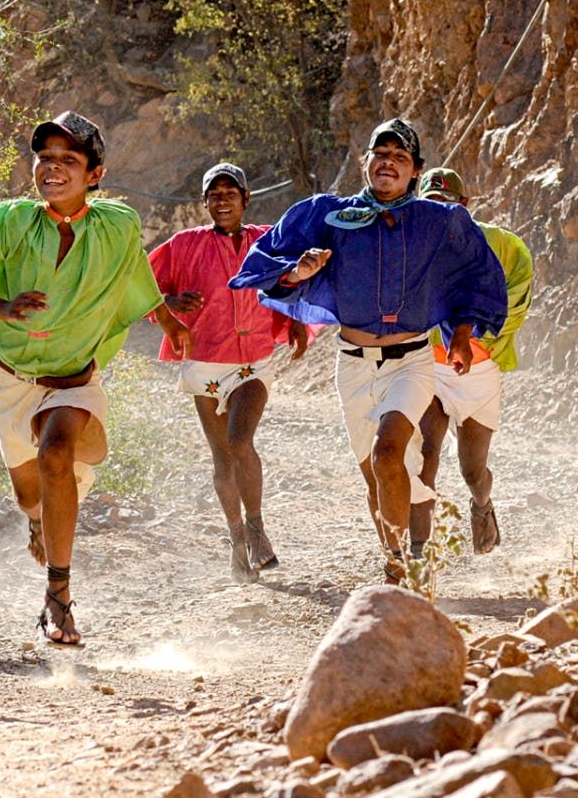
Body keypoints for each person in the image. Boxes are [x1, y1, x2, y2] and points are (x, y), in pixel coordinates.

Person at [0, 111, 191, 645]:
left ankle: (58, 596)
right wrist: (1, 307)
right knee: (29, 496)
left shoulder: (118, 226)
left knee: (56, 452)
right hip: (12, 382)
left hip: (75, 382)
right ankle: (40, 519)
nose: (53, 168)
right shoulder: (13, 222)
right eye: (45, 158)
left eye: (69, 159)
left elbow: (134, 272)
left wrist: (164, 317)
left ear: (95, 173)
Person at [228, 118, 507, 583]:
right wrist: (298, 271)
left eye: (400, 157)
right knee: (375, 481)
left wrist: (461, 331)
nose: (388, 163)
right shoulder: (327, 217)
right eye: (381, 154)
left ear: (416, 171)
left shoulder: (438, 222)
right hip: (353, 365)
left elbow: (476, 276)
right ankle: (406, 548)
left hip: (412, 362)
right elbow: (265, 261)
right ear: (366, 162)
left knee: (387, 453)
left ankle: (401, 569)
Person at [148, 163, 310, 583]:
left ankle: (256, 529)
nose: (222, 201)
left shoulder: (267, 240)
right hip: (205, 362)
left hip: (253, 359)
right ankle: (236, 540)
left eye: (230, 193)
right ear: (204, 203)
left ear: (245, 199)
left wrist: (295, 320)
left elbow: (293, 281)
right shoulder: (183, 245)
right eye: (214, 195)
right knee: (221, 458)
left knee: (240, 441)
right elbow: (140, 286)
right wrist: (169, 302)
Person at [409, 168, 533, 558]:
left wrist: (482, 337)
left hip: (478, 372)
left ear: (463, 206)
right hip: (428, 366)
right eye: (430, 204)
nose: (438, 212)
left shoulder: (500, 243)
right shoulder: (408, 243)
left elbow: (520, 286)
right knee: (426, 452)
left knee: (472, 471)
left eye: (446, 204)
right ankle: (418, 555)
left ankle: (483, 506)